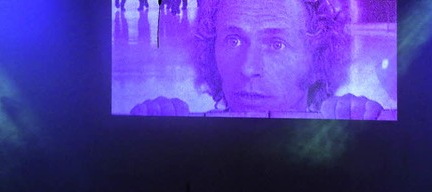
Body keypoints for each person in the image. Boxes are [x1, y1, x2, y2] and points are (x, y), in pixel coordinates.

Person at [130, 0, 385, 120]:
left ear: (319, 59)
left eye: (276, 44)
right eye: (233, 40)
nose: (248, 67)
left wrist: (367, 134)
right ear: (211, 50)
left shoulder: (342, 135)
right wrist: (153, 137)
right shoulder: (183, 140)